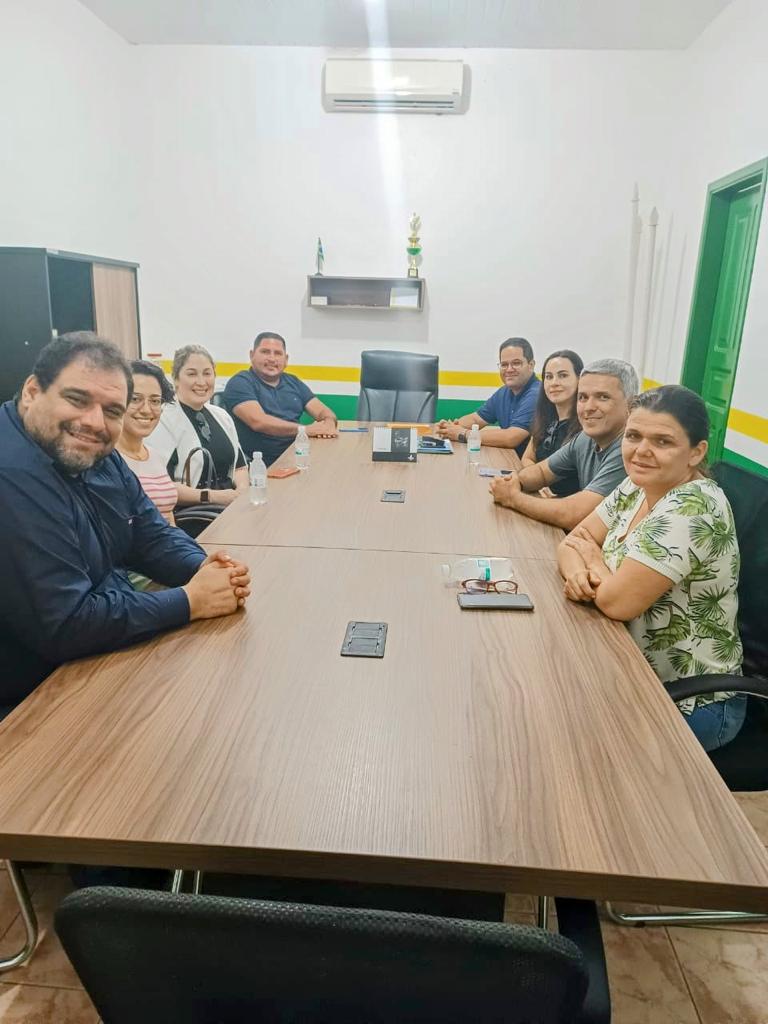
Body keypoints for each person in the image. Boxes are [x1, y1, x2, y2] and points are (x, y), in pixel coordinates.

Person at [0, 333, 252, 718]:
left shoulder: (94, 451)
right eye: (77, 399)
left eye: (112, 410)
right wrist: (189, 600)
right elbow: (67, 622)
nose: (94, 422)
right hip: (30, 699)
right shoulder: (13, 472)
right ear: (33, 391)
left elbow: (148, 533)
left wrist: (204, 567)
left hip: (93, 658)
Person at [557, 385, 745, 751]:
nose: (642, 451)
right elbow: (572, 540)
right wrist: (579, 573)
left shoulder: (692, 508)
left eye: (662, 441)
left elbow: (616, 603)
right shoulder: (637, 484)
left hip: (692, 700)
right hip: (628, 671)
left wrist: (592, 560)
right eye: (634, 436)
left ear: (696, 452)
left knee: (577, 747)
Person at [489, 358, 639, 531]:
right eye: (583, 397)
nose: (588, 407)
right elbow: (541, 472)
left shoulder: (628, 449)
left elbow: (573, 515)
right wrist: (514, 481)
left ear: (631, 404)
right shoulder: (586, 438)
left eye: (603, 397)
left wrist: (512, 498)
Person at [151, 345, 248, 508]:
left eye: (207, 373)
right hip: (192, 513)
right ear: (175, 378)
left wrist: (242, 492)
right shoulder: (163, 418)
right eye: (192, 374)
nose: (201, 382)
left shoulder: (222, 416)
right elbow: (162, 485)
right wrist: (213, 496)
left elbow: (240, 468)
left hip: (229, 506)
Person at [223, 332, 339, 467]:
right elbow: (259, 422)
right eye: (265, 352)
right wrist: (305, 430)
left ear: (286, 359)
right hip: (260, 465)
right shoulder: (241, 382)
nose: (272, 359)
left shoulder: (292, 382)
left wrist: (329, 423)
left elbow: (322, 411)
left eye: (278, 353)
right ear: (252, 355)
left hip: (297, 456)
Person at [434, 338, 541, 456]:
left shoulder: (536, 394)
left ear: (531, 365)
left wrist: (463, 434)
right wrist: (449, 428)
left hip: (530, 469)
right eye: (504, 364)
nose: (509, 369)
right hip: (510, 461)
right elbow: (476, 419)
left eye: (516, 363)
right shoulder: (504, 392)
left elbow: (511, 437)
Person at [116, 360, 178, 524]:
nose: (146, 409)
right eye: (135, 399)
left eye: (155, 401)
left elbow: (168, 517)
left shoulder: (155, 456)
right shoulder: (109, 459)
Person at [520, 349, 583, 497]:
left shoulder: (586, 427)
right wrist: (538, 479)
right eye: (549, 377)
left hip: (565, 507)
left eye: (563, 376)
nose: (554, 383)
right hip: (538, 497)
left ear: (579, 379)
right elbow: (527, 457)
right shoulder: (546, 419)